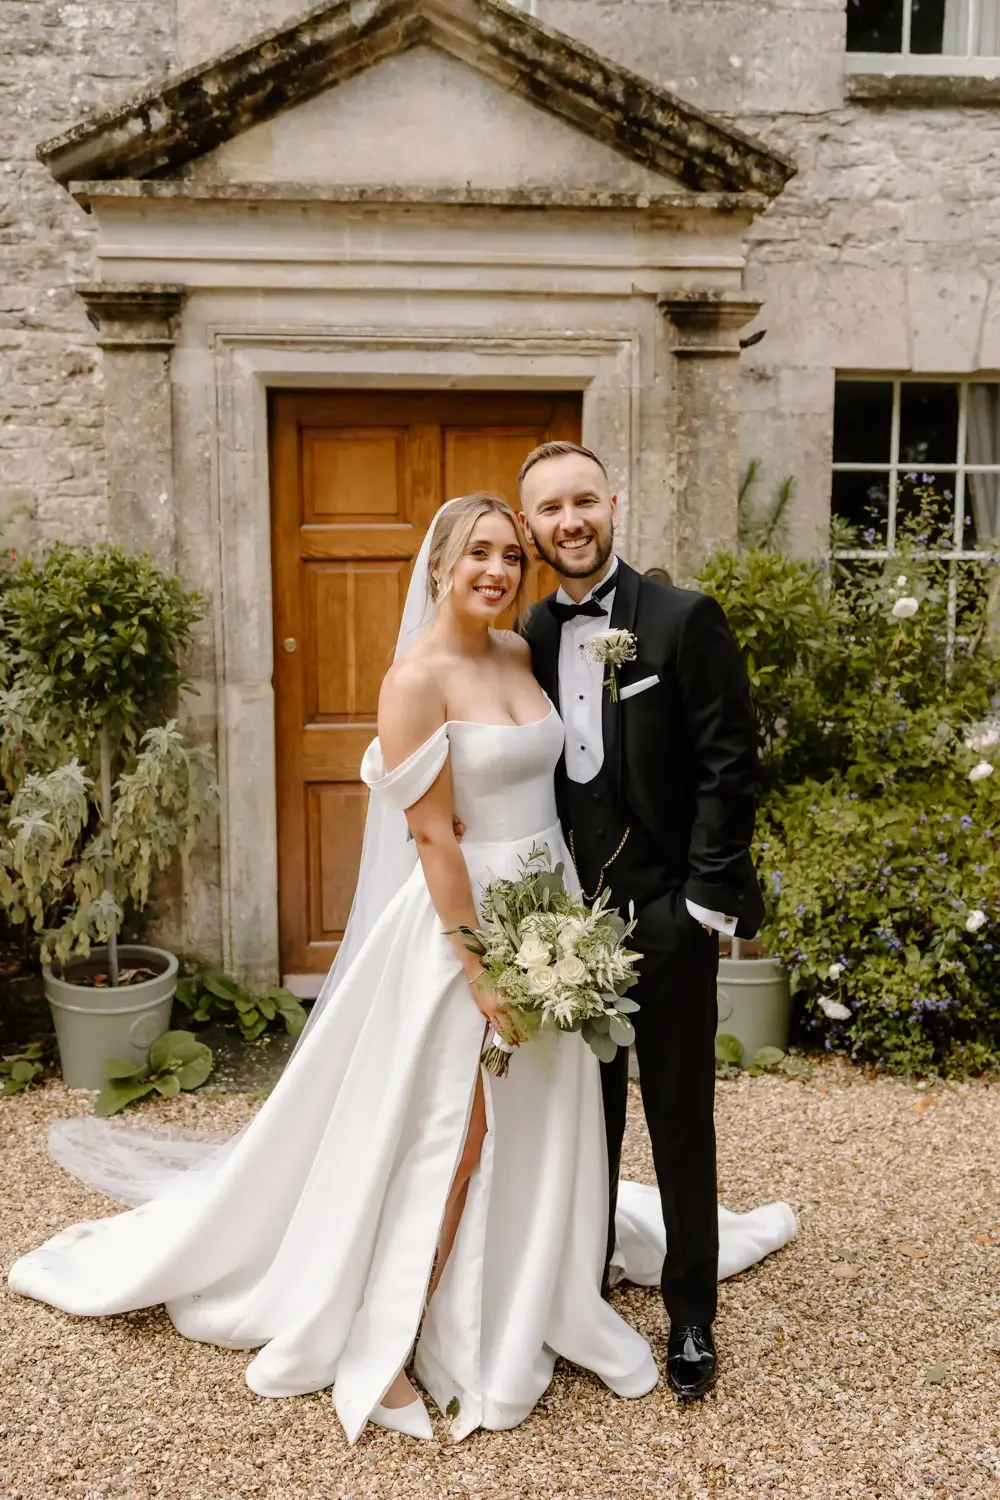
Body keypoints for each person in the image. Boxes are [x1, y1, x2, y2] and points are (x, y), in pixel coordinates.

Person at [8, 494, 794, 1444]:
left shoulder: (524, 649)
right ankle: (393, 1337)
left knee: (550, 1115)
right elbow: (430, 839)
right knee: (449, 1132)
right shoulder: (414, 678)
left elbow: (596, 764)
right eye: (478, 554)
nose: (498, 570)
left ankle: (536, 1283)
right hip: (467, 927)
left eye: (511, 554)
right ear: (438, 567)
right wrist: (482, 970)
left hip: (554, 904)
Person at [519, 441, 766, 1400]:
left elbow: (729, 764)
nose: (570, 521)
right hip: (557, 931)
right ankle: (578, 1292)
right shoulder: (526, 635)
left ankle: (691, 1315)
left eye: (584, 500)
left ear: (611, 504)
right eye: (550, 509)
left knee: (679, 1119)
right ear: (533, 524)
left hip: (665, 913)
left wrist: (703, 903)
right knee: (582, 1120)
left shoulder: (680, 619)